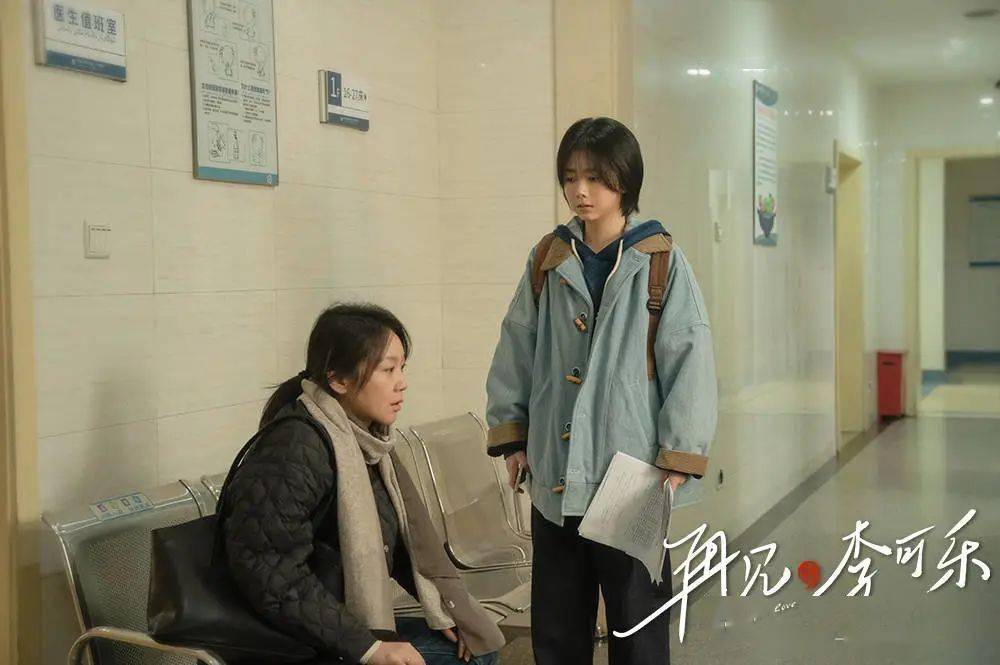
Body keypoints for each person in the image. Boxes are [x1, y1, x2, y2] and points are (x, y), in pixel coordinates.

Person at [484, 117, 718, 665]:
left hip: (631, 478)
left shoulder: (659, 261)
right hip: (556, 474)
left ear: (624, 182)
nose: (580, 190)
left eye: (595, 177)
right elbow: (516, 347)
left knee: (639, 629)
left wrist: (678, 455)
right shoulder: (548, 257)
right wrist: (513, 437)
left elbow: (690, 358)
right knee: (558, 631)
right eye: (570, 177)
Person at [223, 303, 505, 665]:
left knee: (478, 645)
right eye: (387, 369)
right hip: (288, 640)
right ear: (338, 380)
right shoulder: (294, 447)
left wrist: (450, 609)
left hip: (329, 623)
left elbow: (398, 542)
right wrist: (369, 647)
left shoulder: (364, 441)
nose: (401, 382)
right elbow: (270, 571)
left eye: (402, 368)